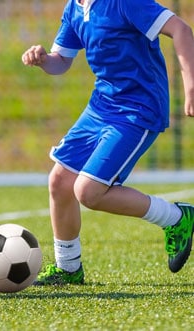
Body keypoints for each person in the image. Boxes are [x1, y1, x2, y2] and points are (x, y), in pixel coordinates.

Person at [21, 0, 194, 285]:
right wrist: (43, 60)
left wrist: (190, 87)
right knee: (60, 182)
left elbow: (181, 29)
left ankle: (175, 217)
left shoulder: (124, 2)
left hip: (138, 110)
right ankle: (68, 268)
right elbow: (61, 61)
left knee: (88, 192)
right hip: (101, 107)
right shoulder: (74, 8)